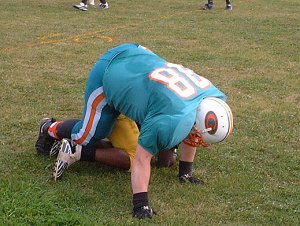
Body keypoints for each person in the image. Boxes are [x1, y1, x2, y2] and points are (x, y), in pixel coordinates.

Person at [36, 43, 234, 219]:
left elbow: (194, 127)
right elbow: (141, 159)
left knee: (166, 159)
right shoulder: (172, 118)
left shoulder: (209, 97)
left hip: (140, 61)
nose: (196, 139)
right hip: (110, 72)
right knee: (86, 136)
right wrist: (141, 204)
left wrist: (186, 173)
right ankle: (50, 128)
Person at [36, 115, 177, 180]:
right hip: (123, 105)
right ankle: (76, 150)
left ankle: (52, 129)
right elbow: (165, 160)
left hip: (115, 97)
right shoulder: (179, 115)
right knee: (136, 160)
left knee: (88, 132)